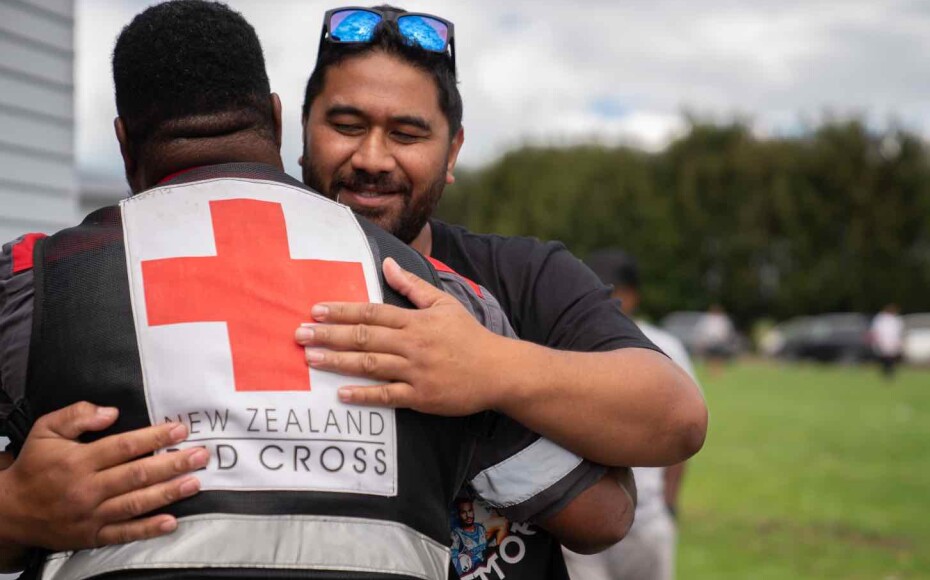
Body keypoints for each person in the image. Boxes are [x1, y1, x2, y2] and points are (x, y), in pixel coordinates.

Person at [0, 2, 631, 578]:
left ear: (122, 141)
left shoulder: (39, 278)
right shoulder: (433, 302)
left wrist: (15, 508)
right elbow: (601, 515)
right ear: (280, 121)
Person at [294, 6, 707, 578]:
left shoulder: (525, 273)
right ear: (301, 129)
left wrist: (486, 367)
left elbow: (675, 418)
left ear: (453, 151)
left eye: (407, 134)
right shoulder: (236, 271)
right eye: (345, 126)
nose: (371, 158)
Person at [563, 249, 701, 580]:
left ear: (632, 295)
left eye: (613, 292)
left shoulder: (664, 347)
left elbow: (684, 434)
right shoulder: (565, 345)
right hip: (578, 520)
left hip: (646, 520)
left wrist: (667, 505)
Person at [870, 304, 904, 379]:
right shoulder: (881, 319)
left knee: (891, 358)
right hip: (883, 341)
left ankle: (890, 373)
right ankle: (885, 372)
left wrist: (898, 341)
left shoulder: (896, 319)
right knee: (885, 358)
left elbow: (898, 331)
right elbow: (877, 329)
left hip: (892, 341)